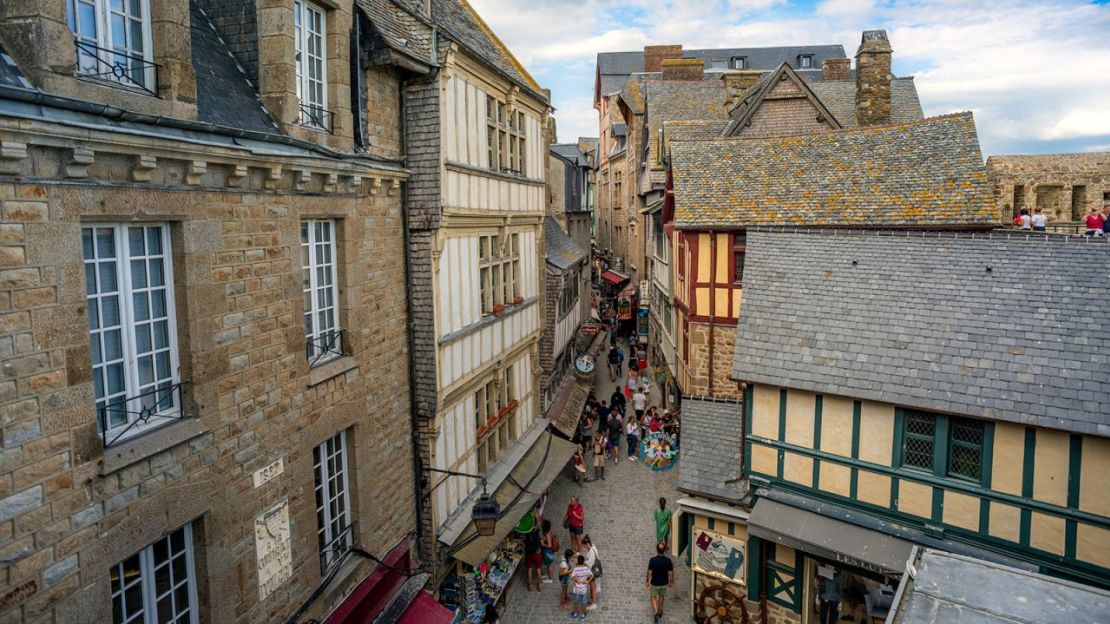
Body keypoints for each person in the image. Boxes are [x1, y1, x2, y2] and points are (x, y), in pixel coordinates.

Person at [646, 541, 674, 623]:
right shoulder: (668, 561)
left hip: (654, 583)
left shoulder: (652, 560)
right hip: (664, 583)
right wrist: (671, 582)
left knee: (653, 597)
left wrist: (647, 581)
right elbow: (670, 573)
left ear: (657, 550)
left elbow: (649, 573)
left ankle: (656, 612)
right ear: (664, 550)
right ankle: (660, 609)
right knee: (661, 596)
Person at [569, 554, 594, 621]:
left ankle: (575, 615)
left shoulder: (575, 569)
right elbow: (592, 575)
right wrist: (587, 581)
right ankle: (583, 615)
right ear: (583, 561)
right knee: (584, 602)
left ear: (578, 561)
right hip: (584, 589)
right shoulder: (586, 569)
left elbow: (571, 577)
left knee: (576, 602)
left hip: (576, 589)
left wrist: (576, 580)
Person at [581, 535, 600, 609]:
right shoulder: (593, 546)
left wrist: (581, 561)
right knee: (592, 586)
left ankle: (594, 603)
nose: (584, 548)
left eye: (584, 546)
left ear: (586, 544)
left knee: (593, 586)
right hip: (594, 570)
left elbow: (588, 563)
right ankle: (592, 599)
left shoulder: (591, 552)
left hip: (592, 572)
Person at [523, 522, 543, 591]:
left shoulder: (527, 534)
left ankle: (530, 585)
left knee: (530, 569)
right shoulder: (537, 534)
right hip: (537, 553)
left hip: (529, 553)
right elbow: (538, 525)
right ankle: (540, 585)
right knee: (538, 569)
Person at [541, 519, 558, 584]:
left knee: (549, 565)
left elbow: (549, 545)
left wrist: (543, 544)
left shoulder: (547, 535)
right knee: (548, 565)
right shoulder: (550, 532)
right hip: (549, 552)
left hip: (548, 552)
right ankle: (548, 575)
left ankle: (550, 578)